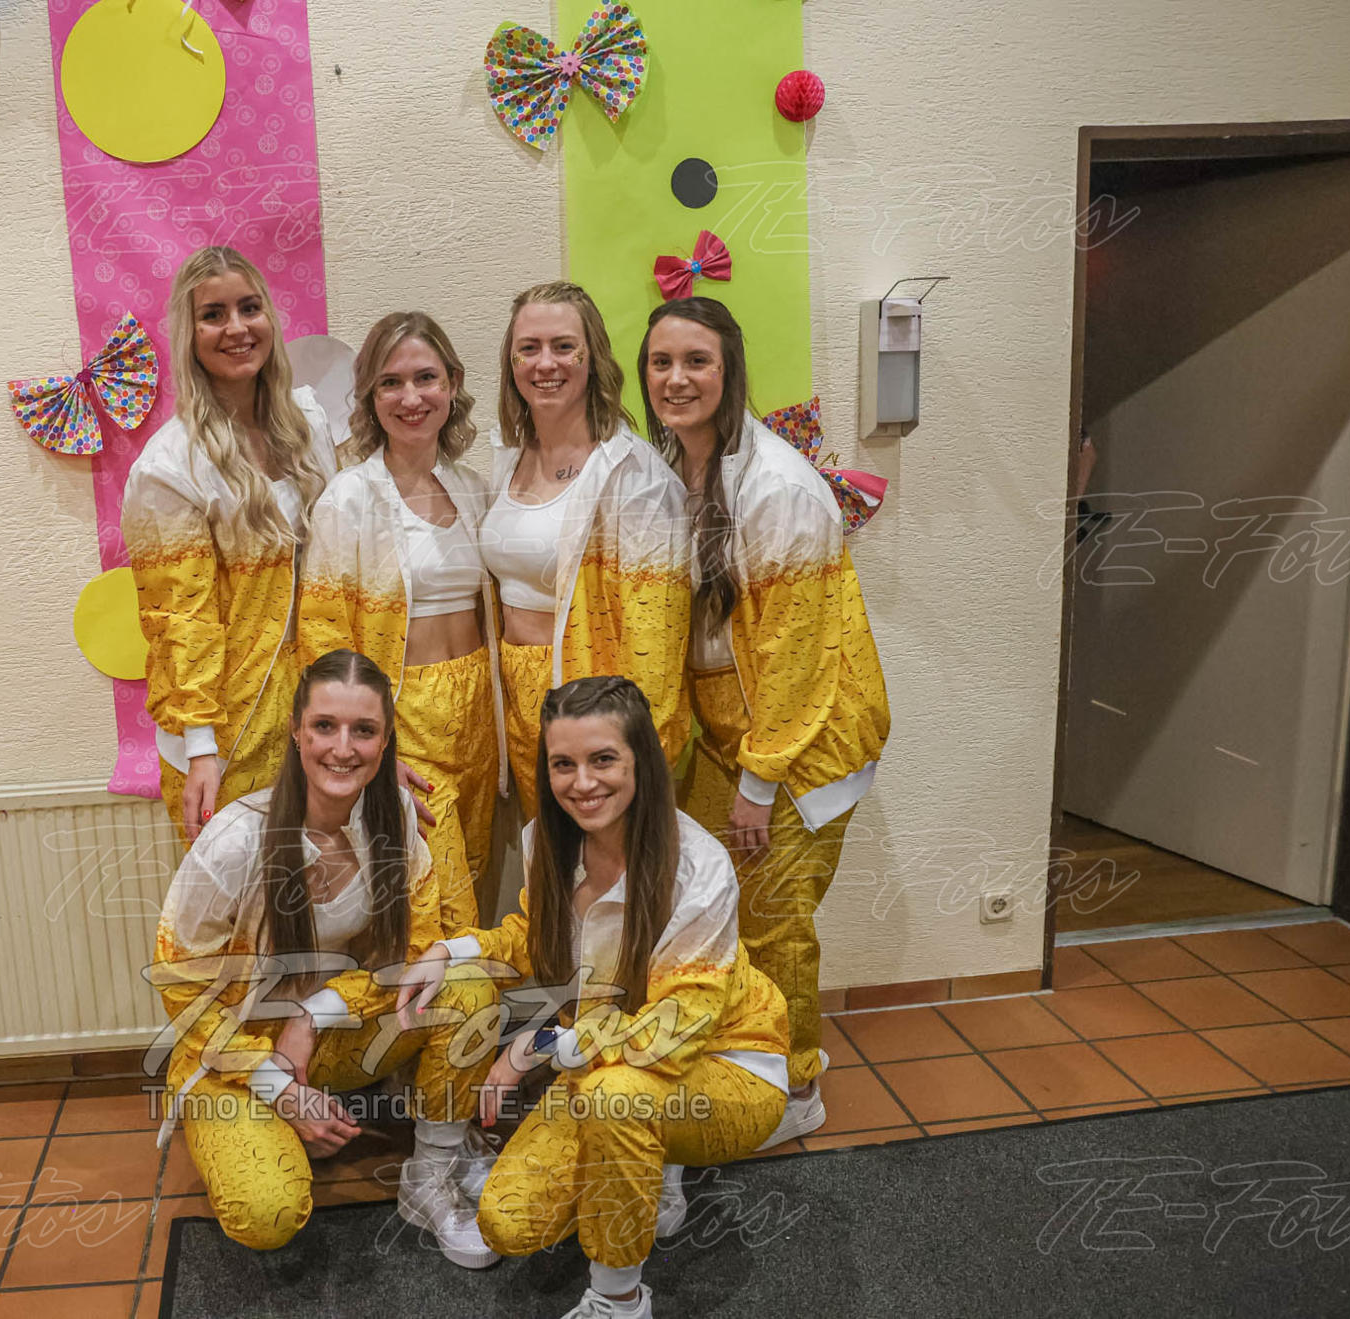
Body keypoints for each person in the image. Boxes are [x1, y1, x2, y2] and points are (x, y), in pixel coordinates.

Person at [398, 676, 790, 1319]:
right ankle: (646, 1159)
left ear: (642, 761)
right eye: (564, 764)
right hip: (606, 1056)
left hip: (724, 1063)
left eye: (603, 759)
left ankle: (618, 1299)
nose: (582, 783)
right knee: (508, 1223)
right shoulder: (546, 843)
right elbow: (534, 938)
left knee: (617, 1098)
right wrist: (451, 951)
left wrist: (537, 1048)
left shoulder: (700, 867)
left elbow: (677, 1028)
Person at [148, 649, 499, 1264]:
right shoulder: (236, 840)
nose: (343, 748)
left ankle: (431, 1174)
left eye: (363, 730)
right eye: (324, 726)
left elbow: (416, 955)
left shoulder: (396, 825)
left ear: (385, 742)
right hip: (234, 1053)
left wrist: (315, 1014)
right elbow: (183, 989)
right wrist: (277, 1086)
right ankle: (269, 1125)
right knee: (267, 1213)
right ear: (295, 731)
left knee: (466, 983)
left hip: (330, 1036)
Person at [638, 297, 892, 1146]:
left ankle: (798, 1086)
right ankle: (745, 1060)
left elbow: (795, 657)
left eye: (697, 361)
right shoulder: (674, 469)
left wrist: (759, 780)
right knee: (720, 905)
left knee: (776, 915)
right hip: (726, 732)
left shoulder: (778, 486)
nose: (677, 379)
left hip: (797, 741)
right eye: (662, 362)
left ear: (731, 370)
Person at [122, 245, 338, 842]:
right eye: (213, 315)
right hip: (227, 725)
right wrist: (201, 748)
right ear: (189, 335)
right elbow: (181, 618)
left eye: (249, 308)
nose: (237, 328)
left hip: (320, 707)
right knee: (242, 892)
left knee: (327, 882)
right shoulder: (171, 466)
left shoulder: (308, 424)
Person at [299, 311, 507, 931]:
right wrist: (371, 745)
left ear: (452, 384)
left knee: (475, 878)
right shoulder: (348, 498)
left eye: (425, 378)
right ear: (369, 396)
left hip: (479, 717)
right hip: (404, 717)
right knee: (431, 900)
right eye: (390, 383)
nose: (410, 397)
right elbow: (324, 638)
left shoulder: (474, 490)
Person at [479, 282, 691, 821]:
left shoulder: (633, 476)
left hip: (590, 708)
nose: (545, 363)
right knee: (548, 857)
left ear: (592, 356)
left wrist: (635, 753)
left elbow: (656, 645)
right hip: (518, 702)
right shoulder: (509, 457)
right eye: (528, 348)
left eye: (563, 346)